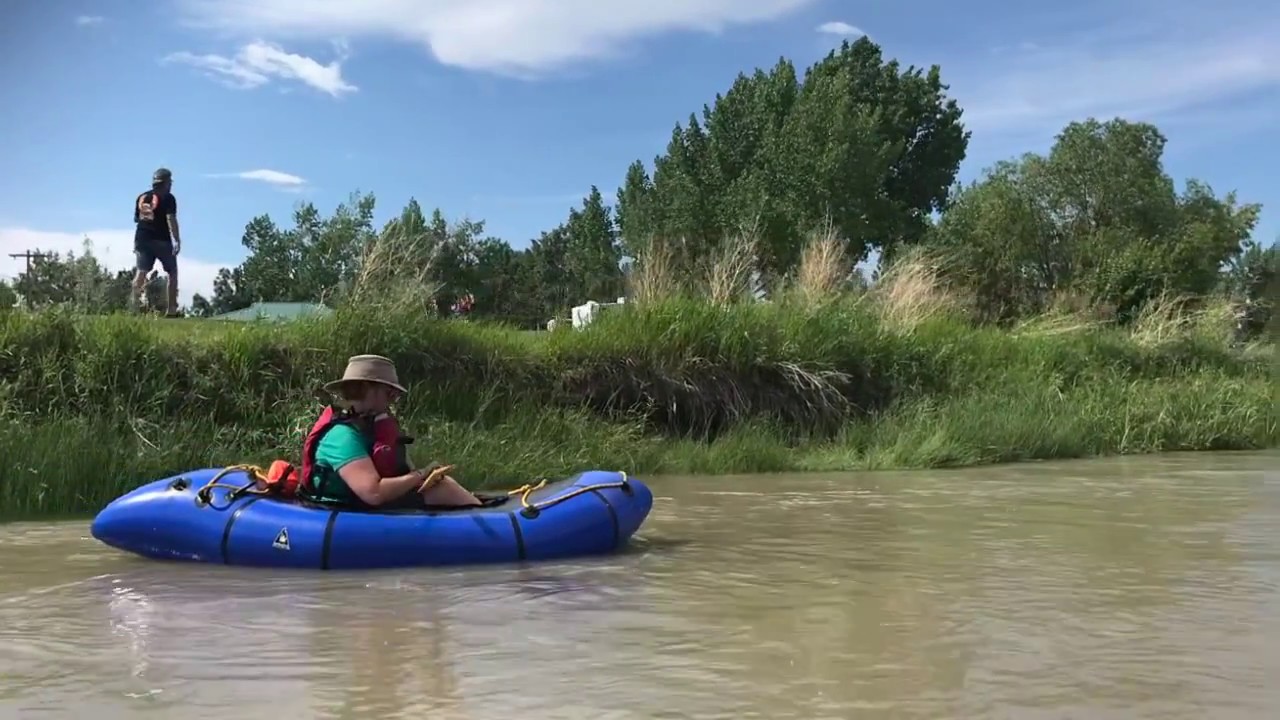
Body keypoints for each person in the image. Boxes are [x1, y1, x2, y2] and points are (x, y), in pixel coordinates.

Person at [297, 354, 482, 510]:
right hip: (347, 510)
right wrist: (420, 474)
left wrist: (423, 477)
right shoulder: (343, 437)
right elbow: (374, 493)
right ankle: (498, 537)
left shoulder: (370, 427)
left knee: (444, 486)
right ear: (369, 389)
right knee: (443, 490)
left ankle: (483, 515)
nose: (392, 400)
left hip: (362, 505)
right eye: (389, 393)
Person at [132, 167, 182, 316]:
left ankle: (133, 306)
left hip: (142, 238)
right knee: (172, 272)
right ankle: (171, 309)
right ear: (166, 183)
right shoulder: (168, 197)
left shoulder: (142, 197)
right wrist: (177, 239)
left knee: (141, 272)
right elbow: (170, 219)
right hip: (161, 240)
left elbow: (138, 219)